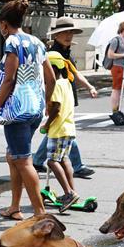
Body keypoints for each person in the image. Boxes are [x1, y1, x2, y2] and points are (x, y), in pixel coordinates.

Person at [0, 0, 55, 220]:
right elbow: (51, 78)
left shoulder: (12, 43)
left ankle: (40, 213)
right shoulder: (37, 42)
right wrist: (48, 104)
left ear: (4, 24)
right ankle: (15, 206)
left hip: (18, 110)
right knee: (12, 156)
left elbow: (9, 81)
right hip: (34, 108)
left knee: (23, 160)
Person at [34, 17, 98, 177]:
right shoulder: (53, 54)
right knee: (66, 130)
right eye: (64, 32)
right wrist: (49, 100)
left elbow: (76, 74)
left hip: (65, 96)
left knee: (57, 130)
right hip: (58, 98)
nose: (69, 35)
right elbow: (47, 79)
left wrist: (89, 86)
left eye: (71, 32)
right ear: (56, 35)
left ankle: (36, 161)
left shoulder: (65, 53)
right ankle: (77, 166)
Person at [42, 51, 84, 212]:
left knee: (52, 161)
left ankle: (68, 193)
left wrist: (46, 124)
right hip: (69, 128)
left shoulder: (56, 85)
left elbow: (57, 109)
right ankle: (72, 192)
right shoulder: (66, 82)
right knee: (64, 159)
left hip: (58, 129)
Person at [107, 21, 124, 122]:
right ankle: (115, 111)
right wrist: (123, 55)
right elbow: (110, 55)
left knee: (120, 90)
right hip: (118, 67)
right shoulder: (116, 40)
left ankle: (118, 110)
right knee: (116, 89)